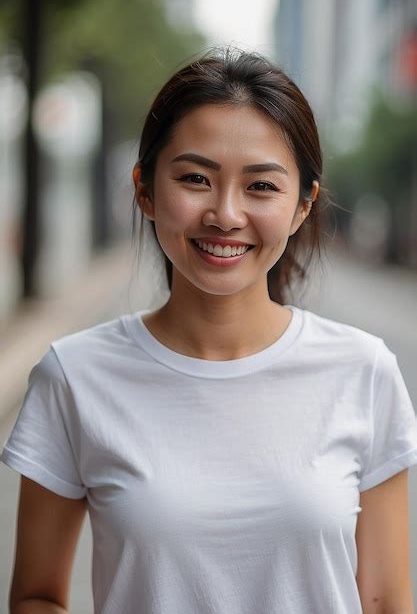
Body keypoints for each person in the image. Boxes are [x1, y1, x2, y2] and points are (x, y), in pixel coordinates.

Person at [1, 46, 417, 614]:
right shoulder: (74, 376)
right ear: (144, 189)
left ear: (302, 205)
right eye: (195, 177)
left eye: (261, 186)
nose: (225, 214)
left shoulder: (363, 371)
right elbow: (36, 596)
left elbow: (387, 599)